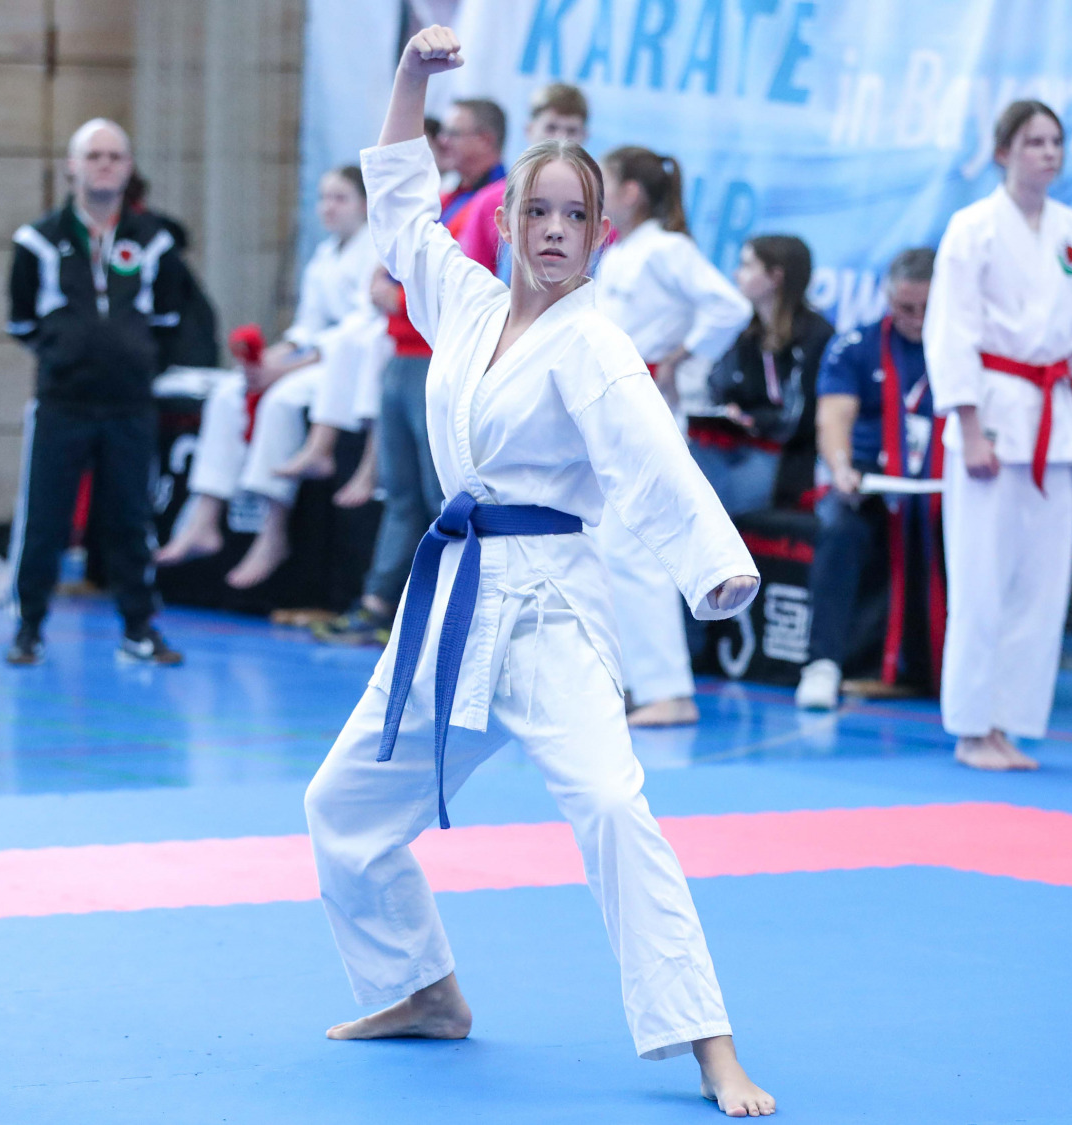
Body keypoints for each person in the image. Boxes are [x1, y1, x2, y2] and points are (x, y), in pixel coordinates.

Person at [305, 26, 774, 1118]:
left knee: (612, 805)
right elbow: (400, 207)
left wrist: (716, 568)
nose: (555, 231)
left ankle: (709, 1043)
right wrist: (411, 79)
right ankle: (420, 989)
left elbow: (654, 459)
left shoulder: (597, 344)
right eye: (538, 213)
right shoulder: (465, 307)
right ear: (508, 222)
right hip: (449, 604)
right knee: (342, 806)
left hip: (551, 607)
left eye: (575, 216)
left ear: (600, 235)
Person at [925, 100, 1072, 772]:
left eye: (1056, 141)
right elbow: (951, 329)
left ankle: (1008, 721)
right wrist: (969, 427)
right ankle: (970, 727)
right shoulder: (972, 227)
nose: (1048, 152)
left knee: (1040, 586)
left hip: (1056, 420)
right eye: (1034, 141)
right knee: (981, 580)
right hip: (991, 409)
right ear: (1003, 152)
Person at [4, 118, 190, 667]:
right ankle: (29, 628)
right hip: (63, 404)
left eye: (115, 156)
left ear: (129, 168)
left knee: (131, 519)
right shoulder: (37, 240)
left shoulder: (155, 241)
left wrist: (128, 355)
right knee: (46, 519)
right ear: (72, 167)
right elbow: (21, 323)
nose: (104, 165)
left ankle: (139, 628)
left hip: (130, 405)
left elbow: (167, 319)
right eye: (94, 156)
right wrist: (69, 352)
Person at [154, 164, 380, 587]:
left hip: (348, 370)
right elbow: (305, 329)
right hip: (313, 359)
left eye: (340, 198)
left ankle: (273, 533)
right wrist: (263, 363)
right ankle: (205, 516)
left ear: (366, 205)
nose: (328, 207)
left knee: (280, 401)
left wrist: (283, 370)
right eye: (323, 198)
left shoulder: (376, 250)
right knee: (228, 391)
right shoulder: (324, 256)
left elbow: (353, 335)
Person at [594, 144, 751, 726]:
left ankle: (669, 691)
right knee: (610, 552)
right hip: (611, 411)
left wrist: (680, 358)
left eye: (605, 181)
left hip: (647, 409)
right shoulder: (622, 251)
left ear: (630, 191)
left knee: (636, 552)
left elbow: (730, 307)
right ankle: (635, 683)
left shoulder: (667, 248)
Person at [280, 100, 507, 486]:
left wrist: (400, 300)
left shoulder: (496, 200)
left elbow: (480, 284)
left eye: (453, 133)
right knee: (401, 492)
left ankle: (347, 461)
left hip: (439, 352)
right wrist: (380, 281)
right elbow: (402, 251)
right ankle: (338, 455)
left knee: (438, 490)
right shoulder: (452, 197)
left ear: (485, 140)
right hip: (404, 347)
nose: (444, 141)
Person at [796, 248, 941, 710]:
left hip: (943, 481)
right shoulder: (855, 346)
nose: (917, 320)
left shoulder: (966, 348)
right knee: (840, 527)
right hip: (870, 479)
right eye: (905, 308)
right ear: (886, 298)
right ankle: (823, 665)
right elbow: (833, 418)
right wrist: (840, 468)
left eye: (928, 308)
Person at [692, 234, 833, 515]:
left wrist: (752, 419)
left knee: (712, 500)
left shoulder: (816, 335)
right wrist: (728, 410)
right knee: (682, 467)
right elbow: (717, 383)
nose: (736, 274)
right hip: (737, 443)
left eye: (746, 266)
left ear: (775, 277)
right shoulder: (748, 330)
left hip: (785, 457)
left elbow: (797, 418)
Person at [455, 82, 590, 273]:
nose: (561, 139)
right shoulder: (490, 202)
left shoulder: (598, 206)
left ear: (585, 136)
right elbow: (472, 277)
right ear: (529, 130)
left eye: (571, 131)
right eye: (551, 128)